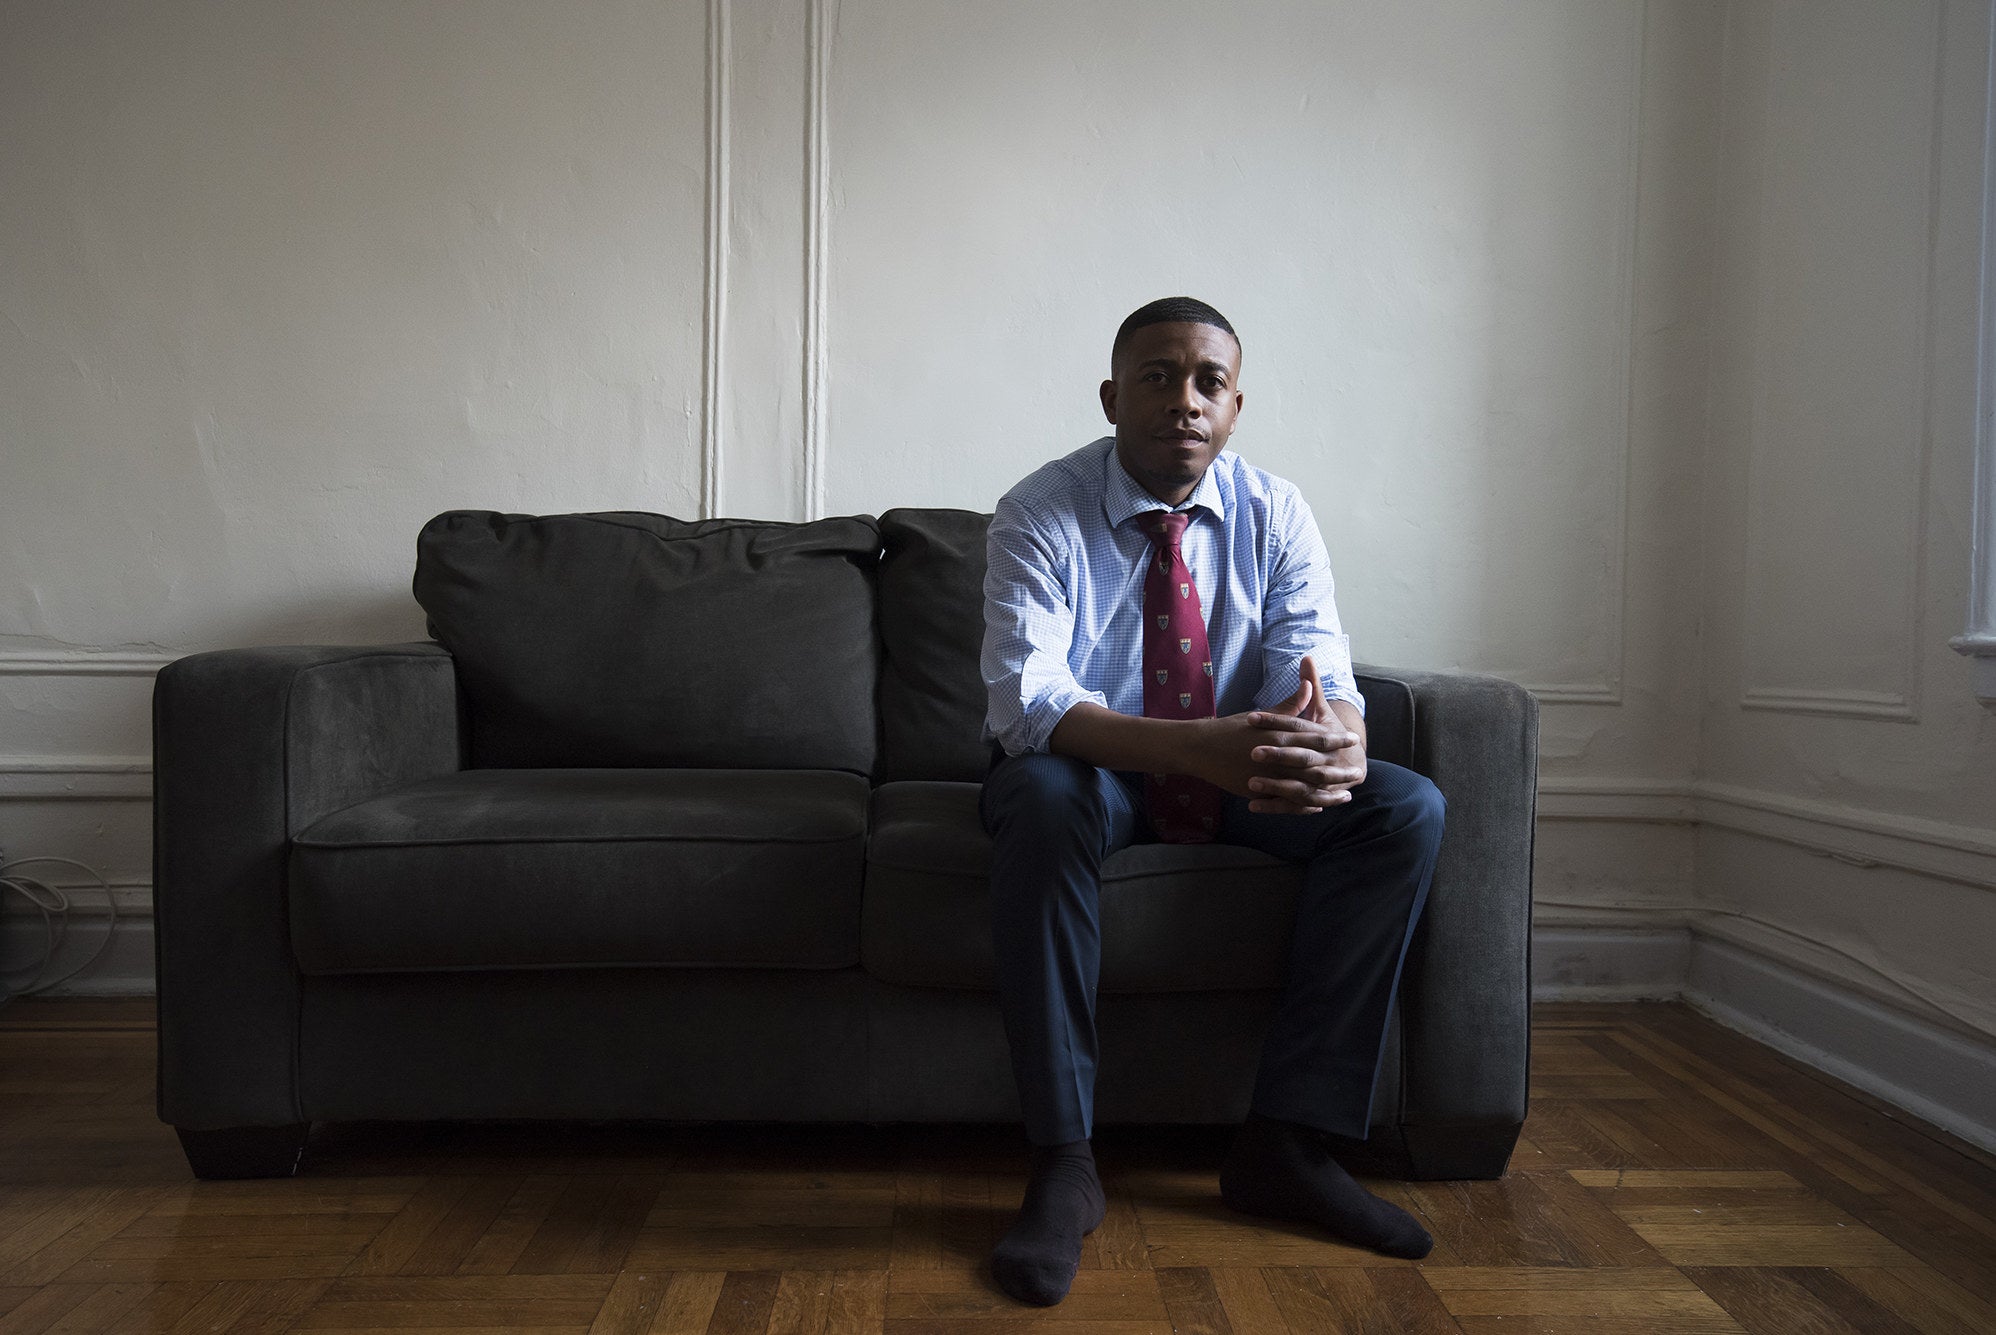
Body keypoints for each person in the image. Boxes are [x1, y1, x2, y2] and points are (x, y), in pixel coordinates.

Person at [979, 297, 1446, 1306]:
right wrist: (1197, 749)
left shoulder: (1274, 511)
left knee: (1401, 809)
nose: (1182, 400)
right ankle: (1063, 1162)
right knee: (1040, 795)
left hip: (1242, 771)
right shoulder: (1038, 509)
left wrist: (1335, 743)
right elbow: (1030, 705)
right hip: (1095, 775)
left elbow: (1319, 668)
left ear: (1234, 407)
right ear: (1111, 397)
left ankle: (1287, 1144)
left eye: (1207, 383)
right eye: (1156, 376)